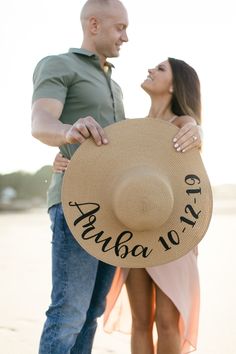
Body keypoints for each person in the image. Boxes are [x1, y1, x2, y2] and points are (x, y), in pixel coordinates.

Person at [53, 57, 202, 354]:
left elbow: (194, 137)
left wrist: (198, 129)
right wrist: (64, 164)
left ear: (174, 85)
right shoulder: (133, 130)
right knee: (140, 320)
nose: (150, 69)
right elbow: (108, 170)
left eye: (160, 69)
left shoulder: (182, 123)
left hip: (173, 232)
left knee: (167, 320)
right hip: (134, 230)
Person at [31, 1, 129, 353]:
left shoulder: (115, 86)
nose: (126, 37)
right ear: (93, 24)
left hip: (116, 210)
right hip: (77, 205)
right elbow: (40, 122)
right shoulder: (58, 65)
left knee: (91, 313)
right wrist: (68, 131)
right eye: (120, 27)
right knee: (68, 312)